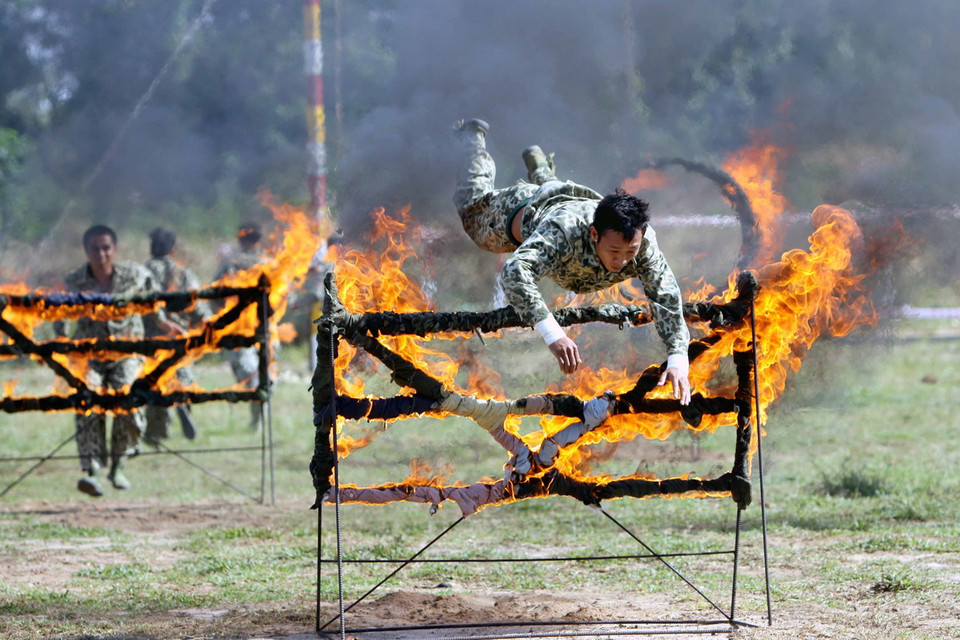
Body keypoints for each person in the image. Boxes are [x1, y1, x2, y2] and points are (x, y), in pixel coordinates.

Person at [453, 118, 691, 405]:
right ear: (594, 235)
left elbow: (665, 295)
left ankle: (542, 169)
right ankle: (473, 139)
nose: (622, 261)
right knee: (471, 210)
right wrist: (553, 335)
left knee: (560, 197)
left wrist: (678, 358)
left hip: (573, 199)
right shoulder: (562, 233)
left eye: (630, 253)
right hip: (520, 211)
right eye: (614, 251)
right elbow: (515, 272)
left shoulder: (644, 244)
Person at [62, 224, 179, 496]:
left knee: (127, 397)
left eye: (106, 248)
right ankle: (92, 471)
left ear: (114, 250)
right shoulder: (74, 280)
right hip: (89, 354)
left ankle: (119, 464)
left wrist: (164, 324)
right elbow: (60, 313)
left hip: (126, 352)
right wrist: (54, 345)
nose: (101, 254)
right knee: (87, 399)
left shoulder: (136, 275)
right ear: (86, 251)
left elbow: (152, 301)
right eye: (95, 248)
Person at [142, 227, 212, 445]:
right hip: (180, 335)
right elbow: (197, 305)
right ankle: (182, 402)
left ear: (151, 248)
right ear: (172, 249)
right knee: (181, 375)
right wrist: (206, 325)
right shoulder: (184, 273)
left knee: (154, 383)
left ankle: (156, 434)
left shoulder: (142, 272)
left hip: (151, 337)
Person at [213, 221, 268, 431]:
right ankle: (257, 422)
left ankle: (259, 419)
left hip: (263, 330)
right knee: (251, 377)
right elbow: (215, 291)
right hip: (240, 331)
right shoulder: (231, 263)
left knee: (266, 379)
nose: (248, 243)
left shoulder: (267, 263)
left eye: (250, 239)